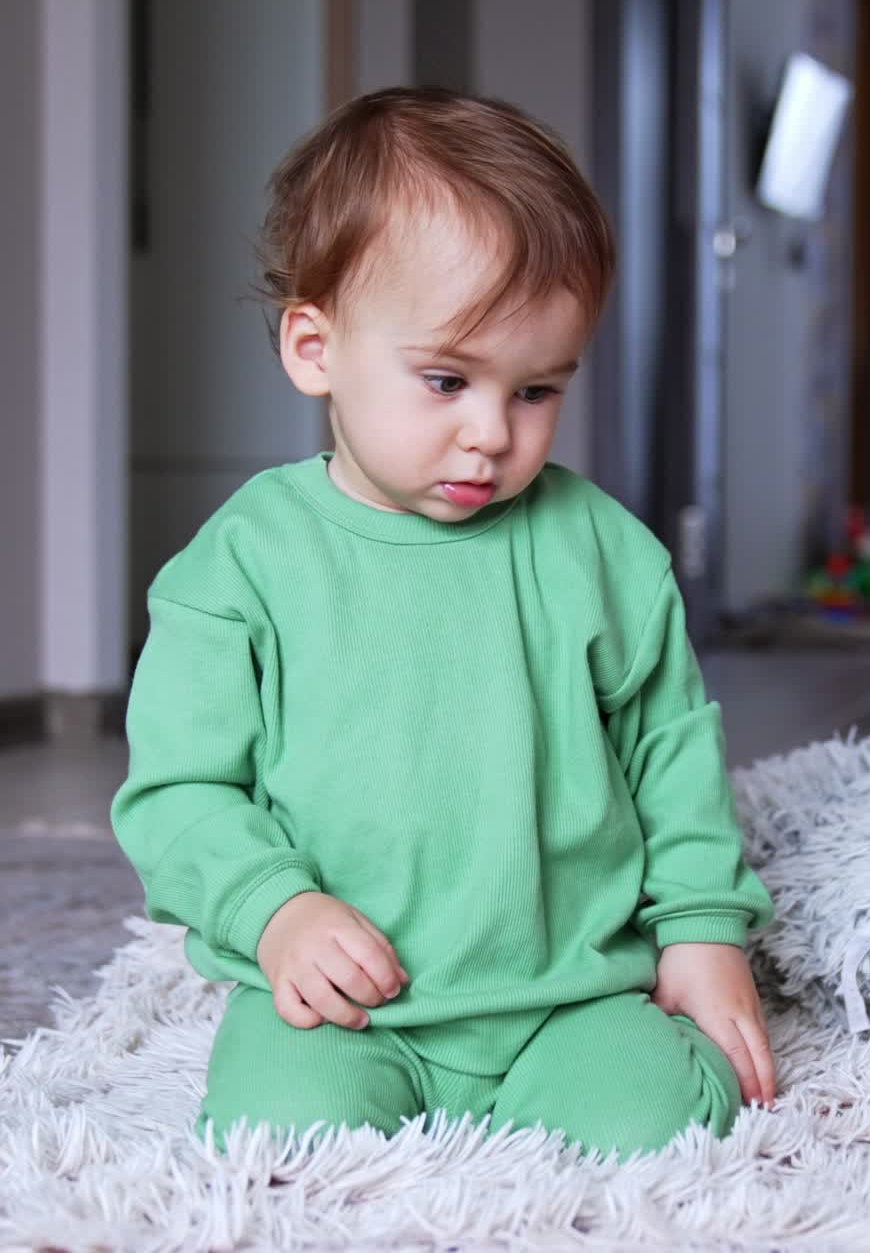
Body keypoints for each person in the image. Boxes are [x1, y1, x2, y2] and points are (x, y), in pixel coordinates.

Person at [110, 85, 776, 1159]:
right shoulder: (240, 566)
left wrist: (701, 929)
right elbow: (180, 791)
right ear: (314, 348)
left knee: (653, 1122)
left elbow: (669, 751)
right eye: (445, 379)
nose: (489, 435)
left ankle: (580, 1090)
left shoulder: (599, 550)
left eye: (534, 390)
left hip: (566, 992)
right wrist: (276, 911)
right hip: (349, 1004)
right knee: (277, 1140)